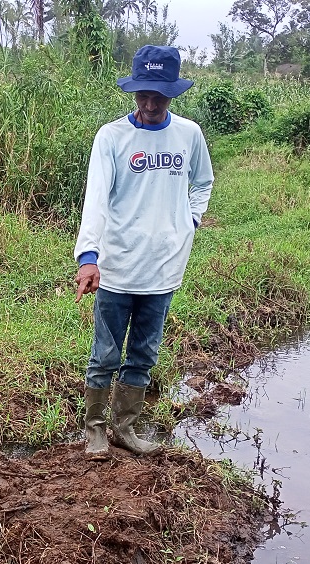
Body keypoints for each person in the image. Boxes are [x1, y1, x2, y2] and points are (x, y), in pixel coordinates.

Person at [73, 45, 214, 459]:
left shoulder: (189, 135)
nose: (150, 103)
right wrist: (89, 257)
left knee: (143, 354)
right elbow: (95, 200)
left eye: (159, 95)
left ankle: (126, 429)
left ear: (173, 93)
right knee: (105, 354)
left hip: (164, 268)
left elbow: (203, 183)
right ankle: (96, 431)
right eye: (143, 94)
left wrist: (190, 221)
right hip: (117, 265)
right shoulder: (112, 137)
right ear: (133, 91)